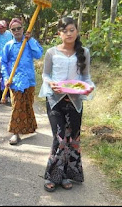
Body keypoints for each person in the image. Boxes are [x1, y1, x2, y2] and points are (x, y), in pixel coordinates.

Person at [38, 17, 95, 192]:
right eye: (65, 30)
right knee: (60, 138)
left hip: (75, 101)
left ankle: (66, 175)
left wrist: (89, 87)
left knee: (73, 139)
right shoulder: (52, 53)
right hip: (55, 100)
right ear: (59, 34)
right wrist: (50, 84)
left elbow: (86, 78)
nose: (68, 33)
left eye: (72, 30)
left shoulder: (83, 52)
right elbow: (45, 75)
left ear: (77, 31)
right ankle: (52, 176)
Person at [0, 18, 43, 145]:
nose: (17, 31)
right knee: (17, 107)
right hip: (15, 81)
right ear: (10, 31)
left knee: (28, 105)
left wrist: (30, 41)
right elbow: (3, 62)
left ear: (23, 29)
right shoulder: (9, 45)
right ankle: (15, 133)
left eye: (19, 28)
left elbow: (38, 54)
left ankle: (29, 127)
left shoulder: (30, 42)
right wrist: (6, 77)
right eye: (14, 29)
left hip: (29, 80)